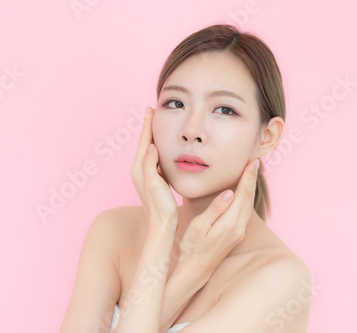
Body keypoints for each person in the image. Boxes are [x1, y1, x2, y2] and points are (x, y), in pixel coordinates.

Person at [60, 24, 312, 333]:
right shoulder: (114, 233)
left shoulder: (280, 278)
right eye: (176, 103)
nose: (191, 130)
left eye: (225, 109)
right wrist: (169, 240)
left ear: (267, 136)